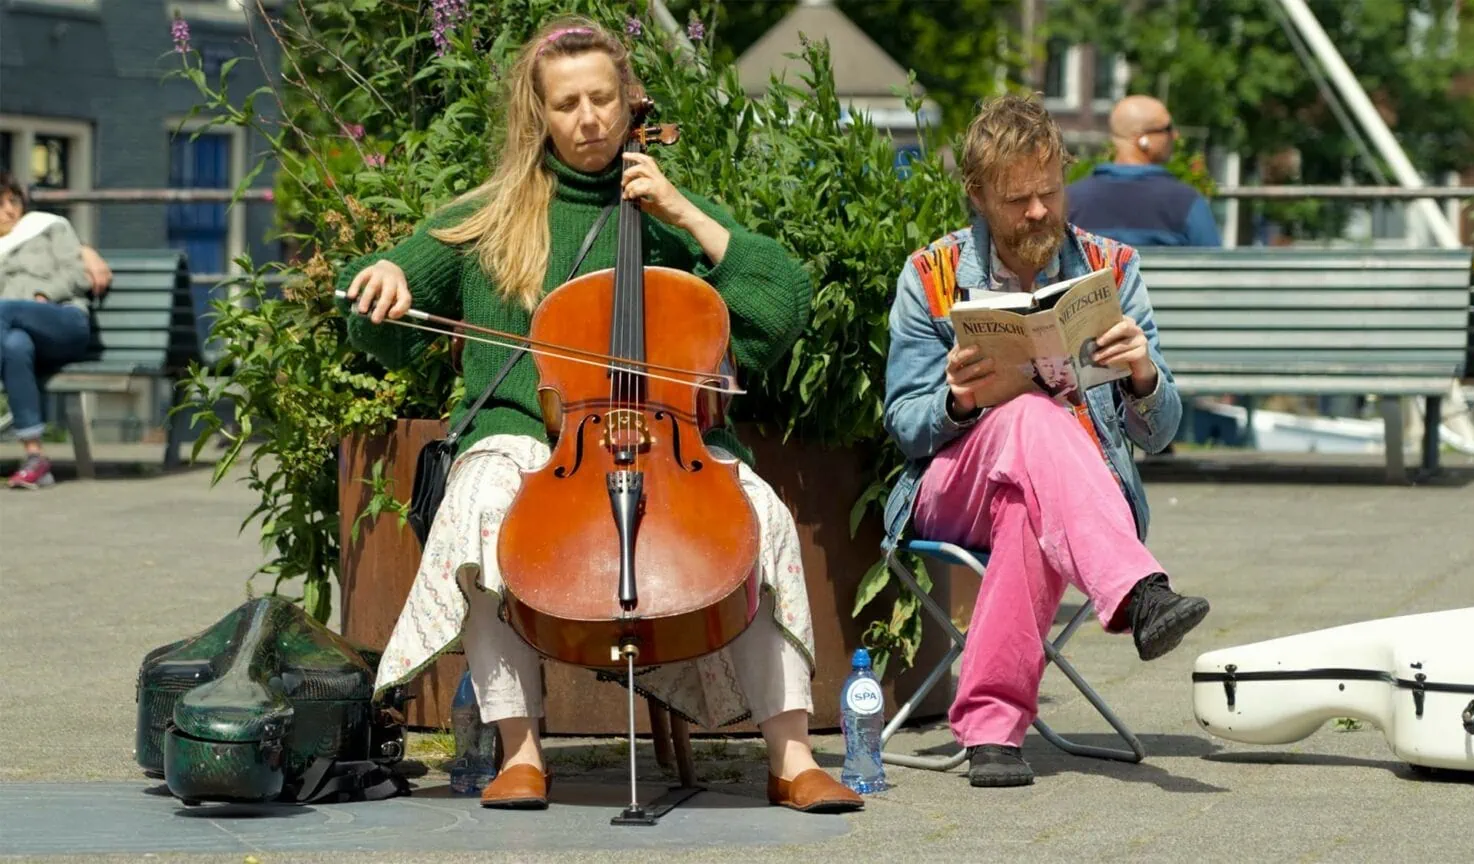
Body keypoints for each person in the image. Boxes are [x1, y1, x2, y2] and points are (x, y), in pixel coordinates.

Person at [336, 17, 861, 814]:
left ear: (630, 103)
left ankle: (790, 756)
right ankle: (521, 750)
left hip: (670, 442)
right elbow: (372, 304)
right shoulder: (490, 217)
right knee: (481, 505)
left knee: (763, 517)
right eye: (567, 103)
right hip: (524, 440)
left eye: (602, 100)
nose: (588, 119)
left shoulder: (664, 210)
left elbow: (781, 305)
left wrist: (684, 213)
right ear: (538, 115)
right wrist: (379, 281)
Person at [882, 94, 1211, 788]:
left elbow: (1162, 434)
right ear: (977, 195)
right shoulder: (932, 276)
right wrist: (958, 400)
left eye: (1049, 192)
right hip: (951, 484)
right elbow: (904, 426)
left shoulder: (1110, 269)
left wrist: (1143, 374)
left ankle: (993, 732)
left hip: (1070, 502)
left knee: (1026, 512)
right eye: (1016, 199)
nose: (1038, 212)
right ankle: (1139, 590)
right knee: (1033, 417)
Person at [0, 172, 109, 489]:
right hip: (17, 334)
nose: (10, 210)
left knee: (4, 310)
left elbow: (79, 276)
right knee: (14, 346)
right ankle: (36, 459)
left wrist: (44, 293)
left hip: (63, 320)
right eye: (1, 203)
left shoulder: (47, 226)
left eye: (14, 201)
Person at [1065, 95, 1221, 248]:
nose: (1175, 135)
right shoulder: (1186, 202)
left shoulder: (1069, 201)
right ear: (1142, 139)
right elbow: (1215, 266)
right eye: (1166, 128)